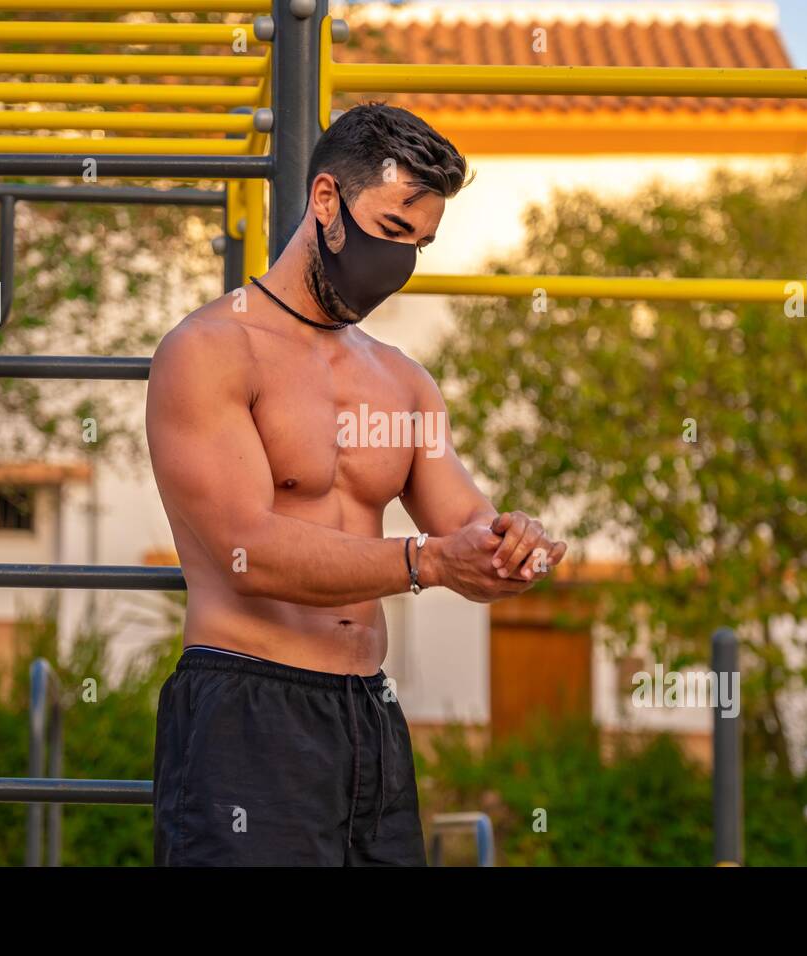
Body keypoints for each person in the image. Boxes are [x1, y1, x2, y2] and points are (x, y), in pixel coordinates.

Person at [146, 103, 567, 866]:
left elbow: (464, 521)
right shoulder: (209, 350)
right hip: (246, 710)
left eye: (421, 243)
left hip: (369, 715)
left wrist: (511, 546)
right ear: (327, 201)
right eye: (393, 231)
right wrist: (428, 562)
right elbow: (250, 549)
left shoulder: (402, 380)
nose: (400, 261)